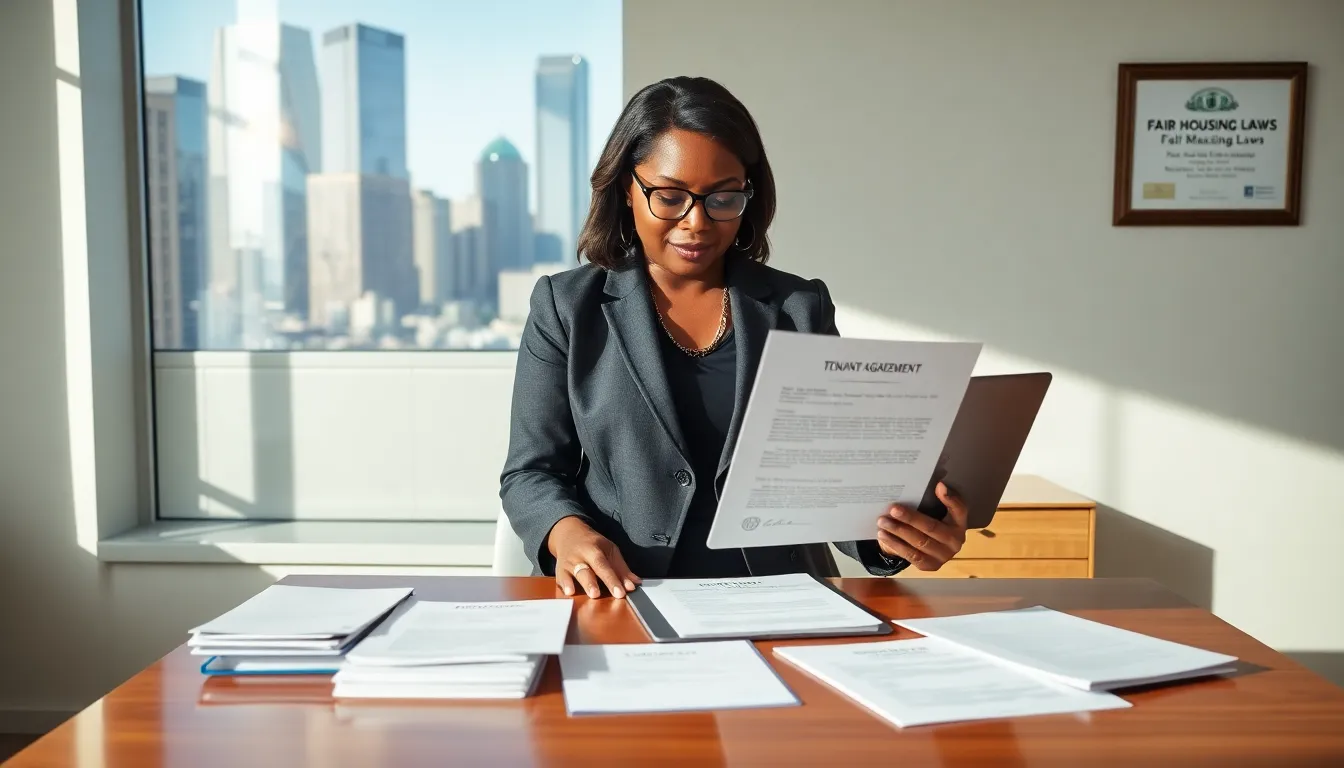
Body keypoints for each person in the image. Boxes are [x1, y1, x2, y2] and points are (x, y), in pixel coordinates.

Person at [500, 76, 969, 599]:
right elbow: (532, 472)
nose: (697, 222)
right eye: (670, 196)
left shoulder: (799, 308)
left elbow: (831, 484)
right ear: (625, 188)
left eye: (723, 197)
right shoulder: (567, 308)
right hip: (624, 594)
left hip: (781, 597)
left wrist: (900, 538)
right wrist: (567, 534)